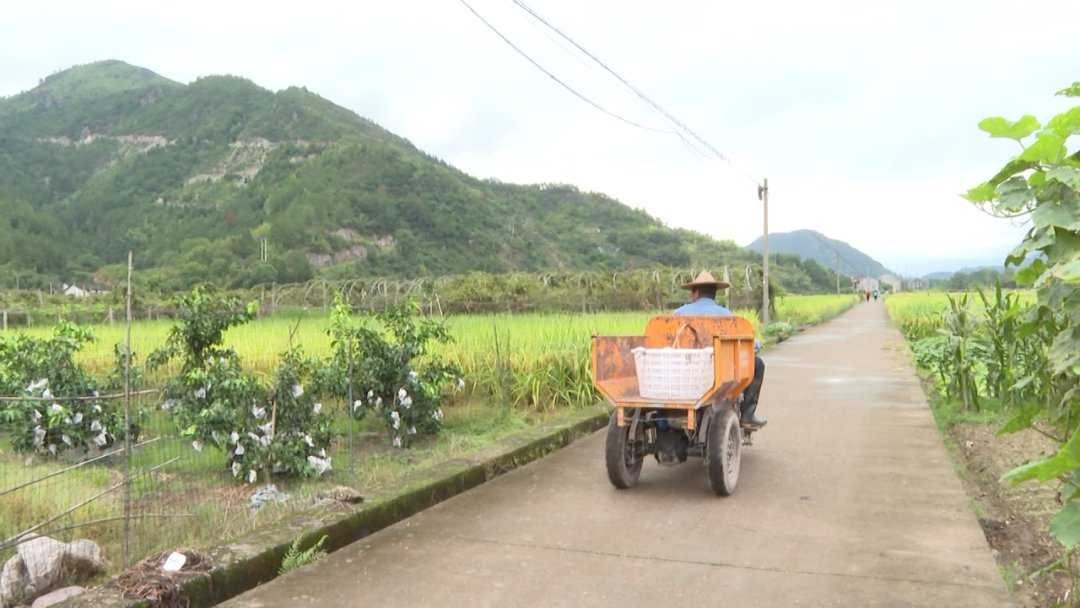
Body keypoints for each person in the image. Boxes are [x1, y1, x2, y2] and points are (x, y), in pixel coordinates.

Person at [673, 270, 767, 427]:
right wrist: (756, 344)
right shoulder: (727, 316)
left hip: (684, 368)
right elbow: (749, 344)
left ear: (695, 293)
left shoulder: (677, 314)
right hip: (719, 371)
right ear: (714, 294)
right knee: (757, 364)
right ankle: (747, 415)